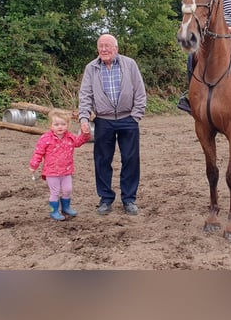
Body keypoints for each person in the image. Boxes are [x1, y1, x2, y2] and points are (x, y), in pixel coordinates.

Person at [78, 33, 147, 216]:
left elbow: (140, 92)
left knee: (131, 160)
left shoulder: (129, 64)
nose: (104, 49)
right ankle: (106, 199)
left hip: (128, 120)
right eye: (101, 46)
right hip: (103, 121)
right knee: (102, 161)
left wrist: (136, 116)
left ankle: (129, 199)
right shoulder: (91, 68)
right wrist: (84, 119)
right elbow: (85, 95)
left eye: (108, 46)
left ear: (116, 48)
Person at [29, 108, 91, 221]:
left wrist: (85, 134)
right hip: (51, 172)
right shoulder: (45, 139)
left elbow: (78, 142)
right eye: (56, 124)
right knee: (55, 192)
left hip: (66, 170)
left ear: (67, 125)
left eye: (63, 124)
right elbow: (38, 153)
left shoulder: (70, 136)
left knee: (67, 190)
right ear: (51, 125)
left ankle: (66, 208)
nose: (60, 127)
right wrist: (34, 165)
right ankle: (54, 211)